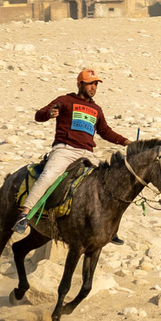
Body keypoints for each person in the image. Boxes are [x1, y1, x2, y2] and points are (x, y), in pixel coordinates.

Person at [13, 68, 130, 241]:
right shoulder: (65, 100)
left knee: (107, 184)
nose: (93, 87)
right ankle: (24, 215)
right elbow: (39, 115)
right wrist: (49, 113)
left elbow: (105, 131)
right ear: (80, 84)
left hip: (87, 153)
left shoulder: (96, 109)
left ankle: (108, 228)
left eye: (95, 84)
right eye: (90, 83)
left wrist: (126, 142)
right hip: (65, 149)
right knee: (48, 176)